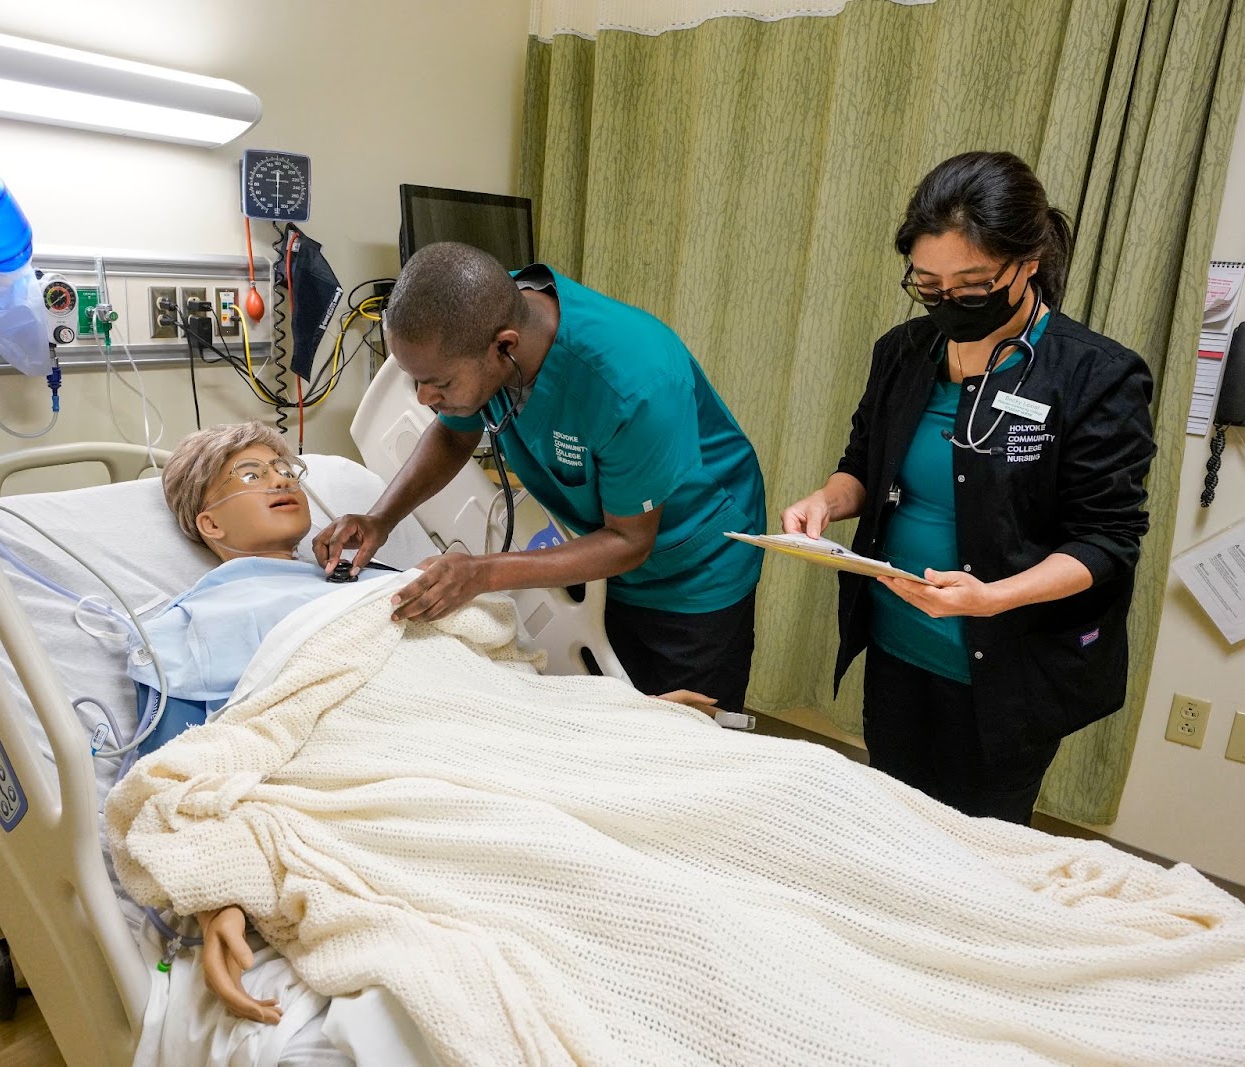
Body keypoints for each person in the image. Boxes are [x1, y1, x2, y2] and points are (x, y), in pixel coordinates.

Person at [140, 419, 724, 1023]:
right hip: (373, 754)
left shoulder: (370, 580)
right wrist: (217, 895)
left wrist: (608, 715)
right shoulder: (196, 621)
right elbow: (178, 769)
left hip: (481, 729)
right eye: (252, 474)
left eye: (286, 468)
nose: (281, 480)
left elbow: (483, 681)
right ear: (209, 524)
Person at [781, 151, 1156, 825]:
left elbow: (1107, 538)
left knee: (977, 846)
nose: (949, 302)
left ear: (1029, 261)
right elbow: (864, 463)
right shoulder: (903, 351)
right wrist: (825, 502)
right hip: (899, 646)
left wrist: (992, 599)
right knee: (891, 820)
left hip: (1005, 669)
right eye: (929, 284)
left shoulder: (1095, 376)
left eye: (973, 284)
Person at [312, 243, 767, 714]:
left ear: (504, 346)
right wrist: (380, 518)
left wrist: (481, 572)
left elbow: (630, 541)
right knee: (620, 714)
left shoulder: (634, 385)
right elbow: (452, 437)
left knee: (684, 731)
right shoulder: (479, 316)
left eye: (440, 384)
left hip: (694, 561)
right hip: (607, 553)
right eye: (417, 383)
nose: (425, 399)